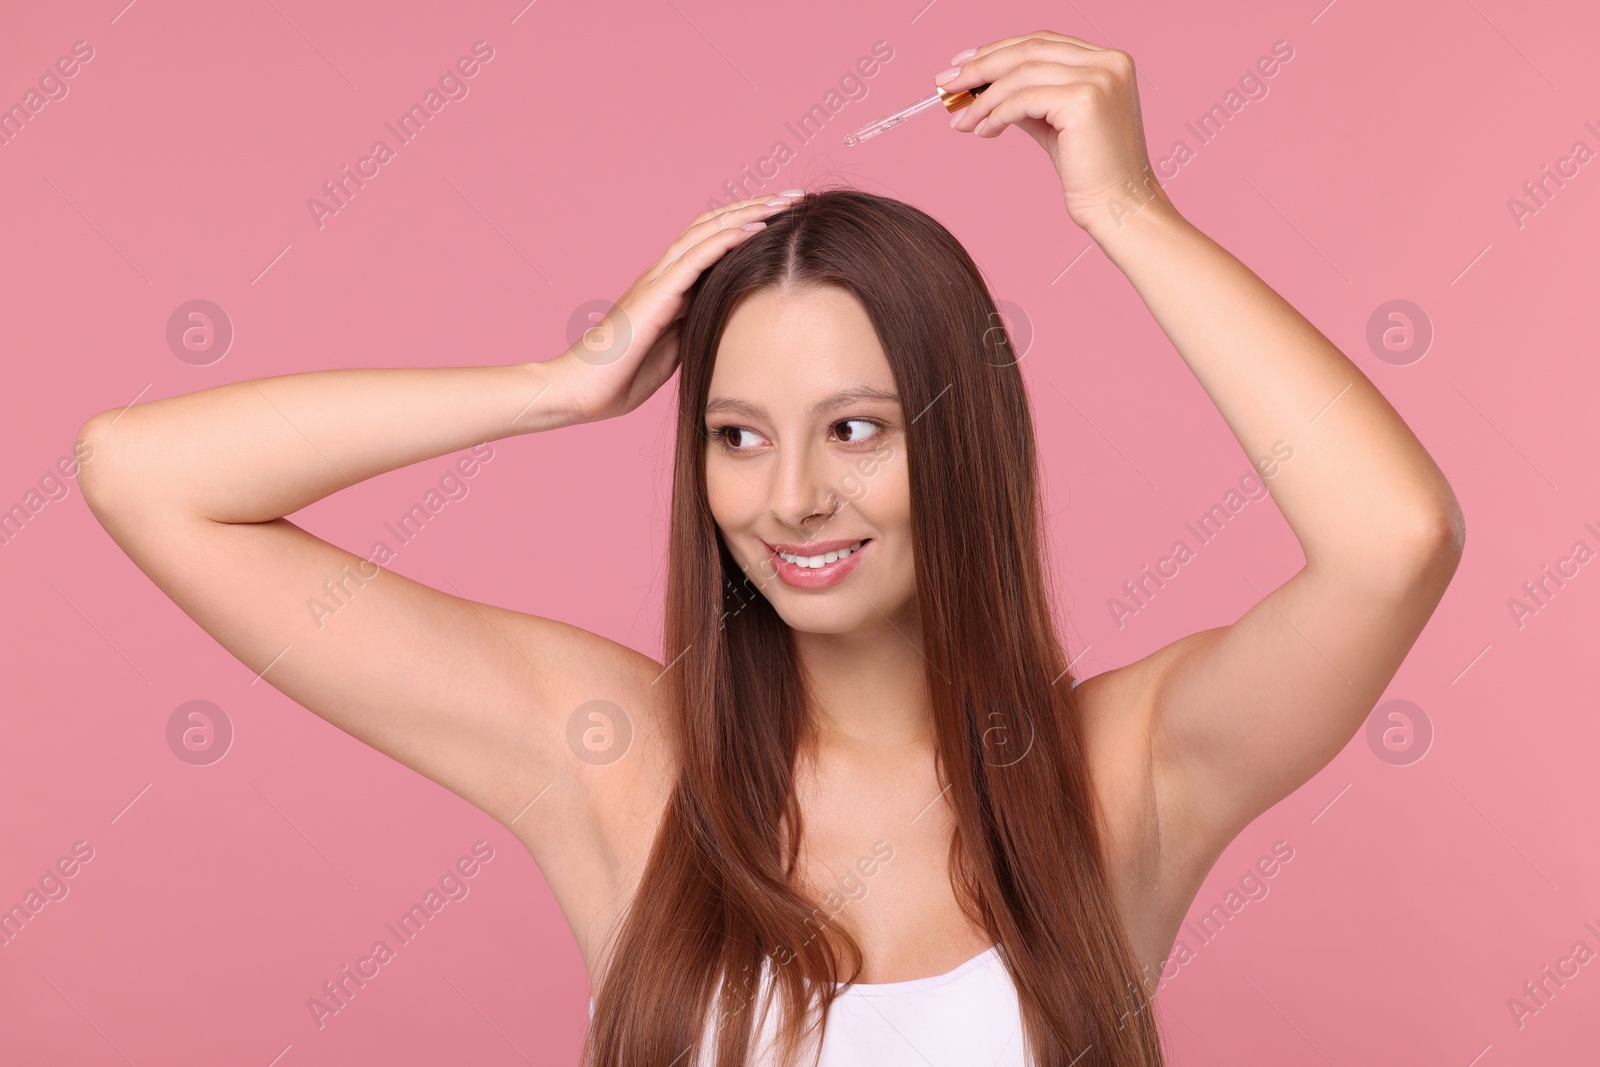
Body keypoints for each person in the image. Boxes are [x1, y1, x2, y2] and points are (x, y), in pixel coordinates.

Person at [78, 29, 1464, 1067]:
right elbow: (144, 477)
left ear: (960, 438)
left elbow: (1393, 543)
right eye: (735, 437)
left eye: (856, 429)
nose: (792, 497)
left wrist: (1125, 209)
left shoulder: (1122, 771)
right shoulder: (616, 757)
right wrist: (562, 382)